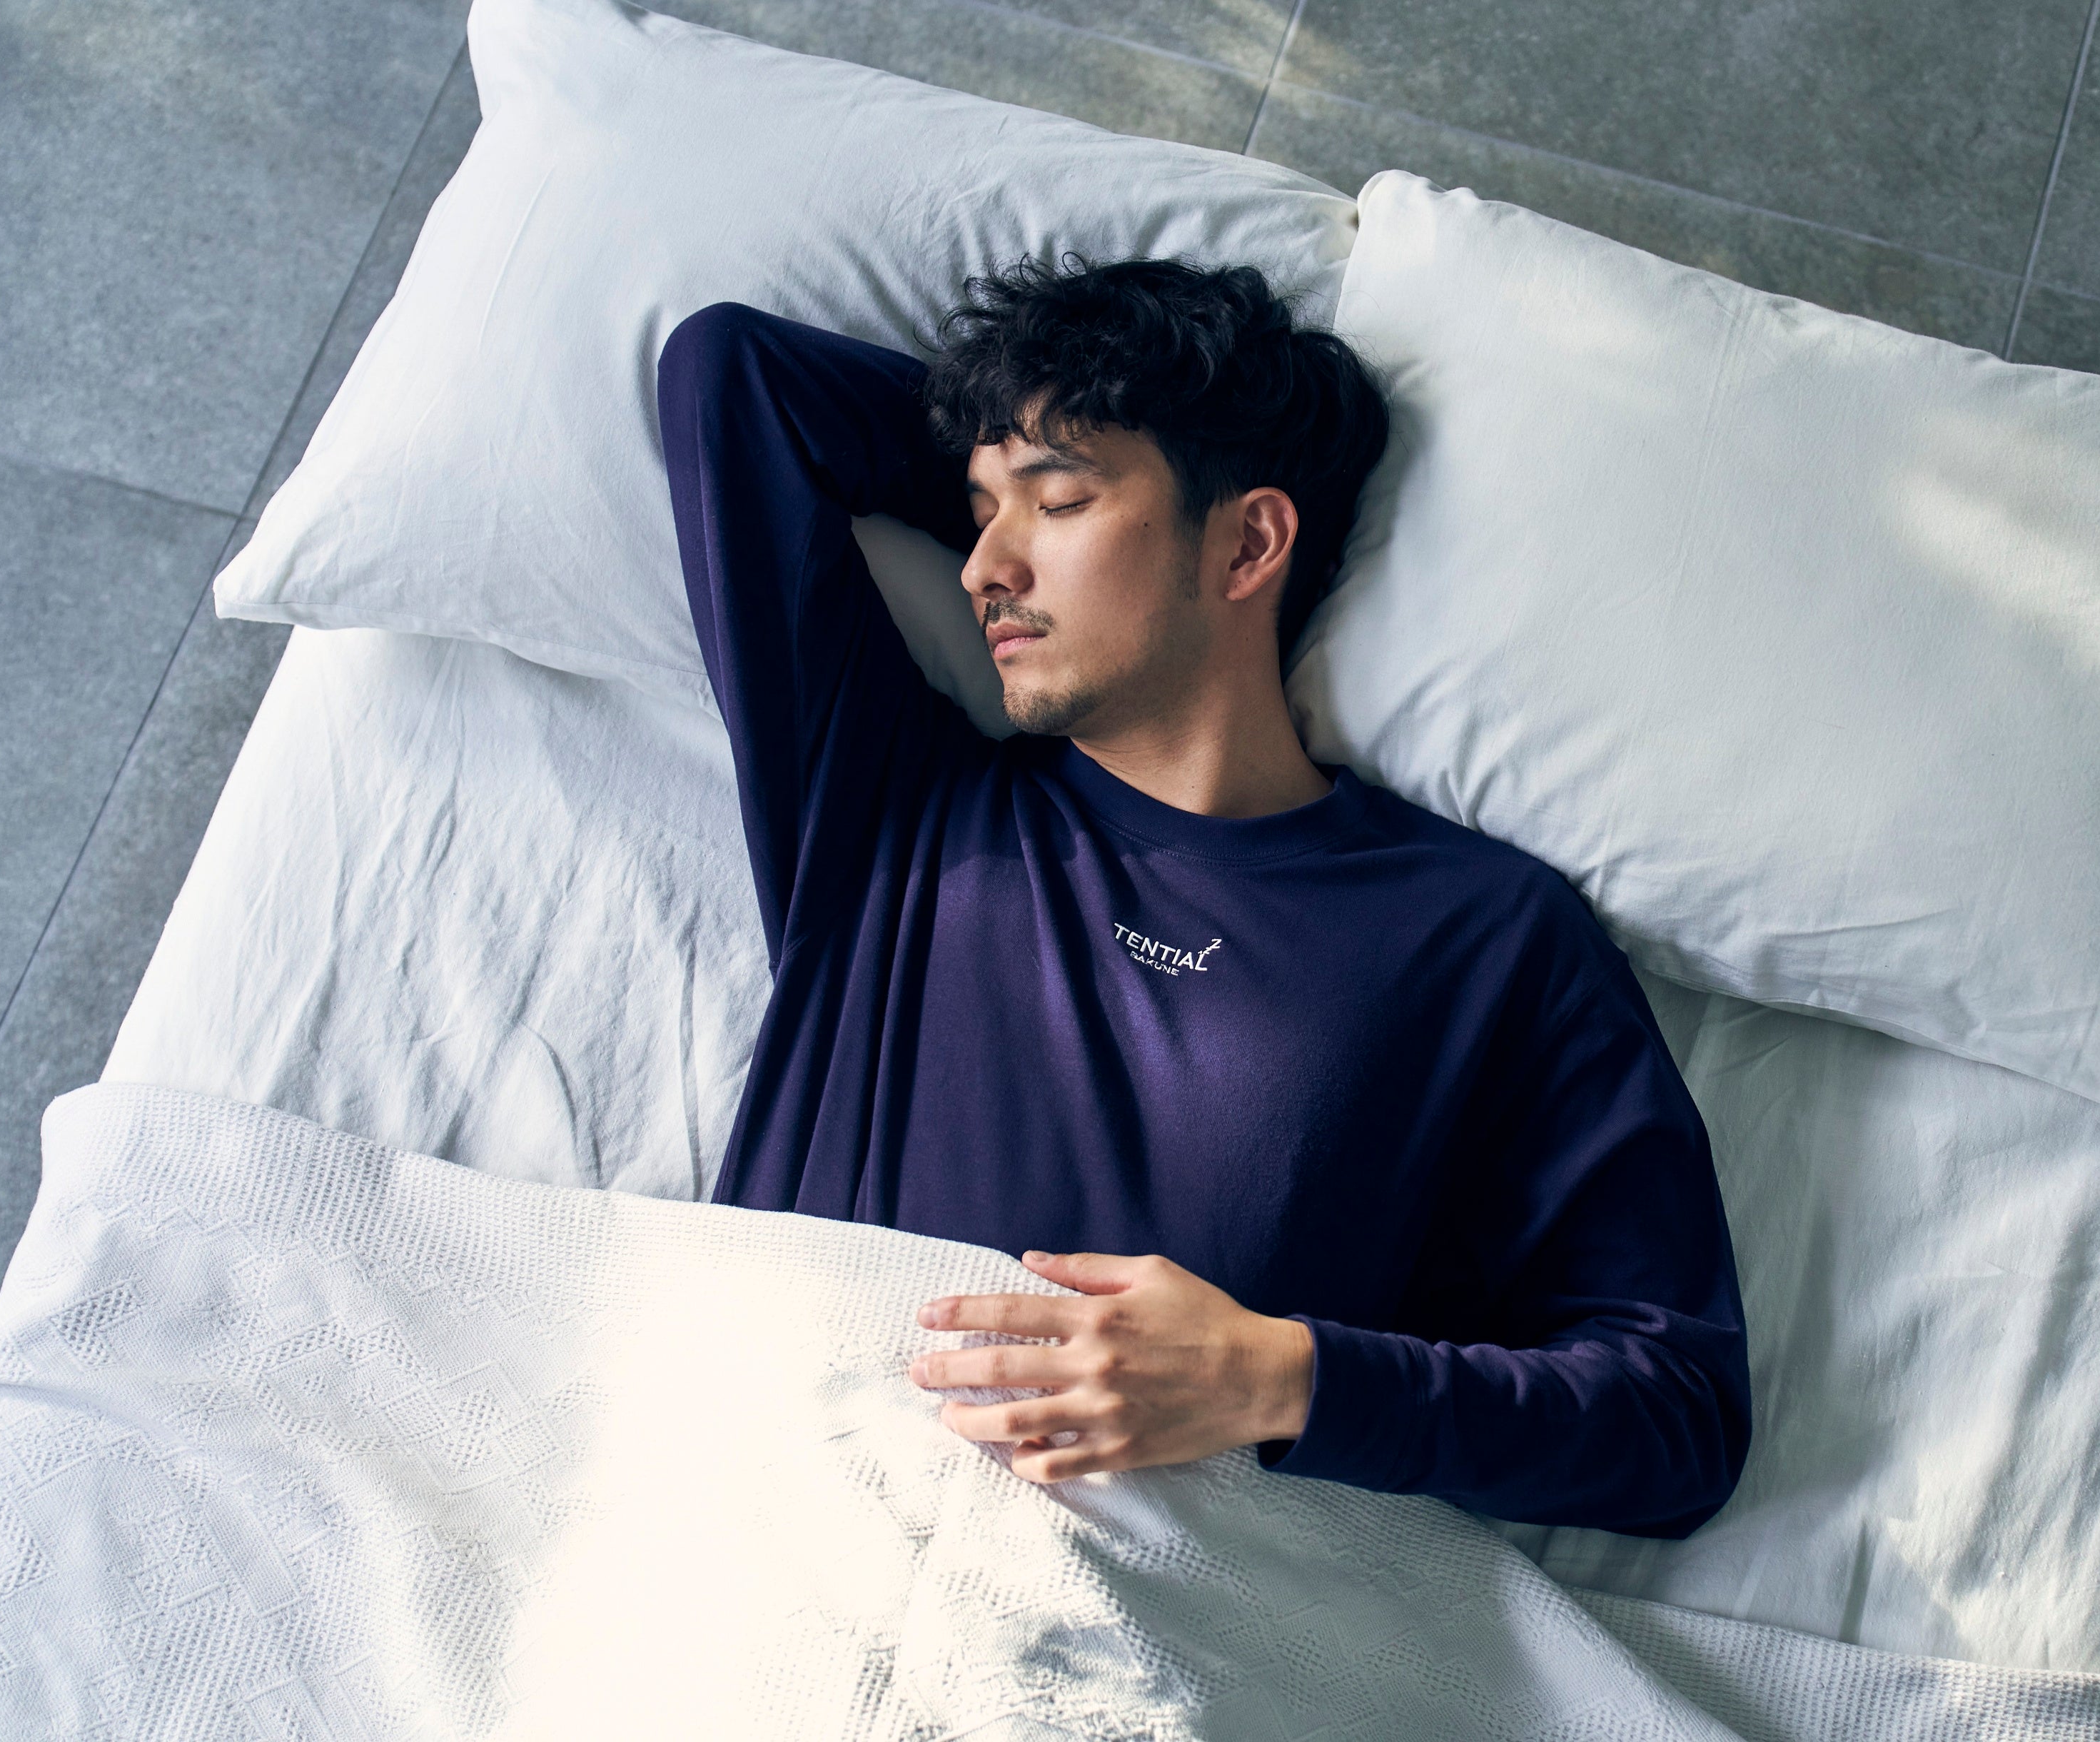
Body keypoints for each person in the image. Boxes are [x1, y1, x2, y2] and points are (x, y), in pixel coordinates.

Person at [655, 258, 1748, 1537]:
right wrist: (1037, 448)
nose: (981, 567)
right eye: (975, 511)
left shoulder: (1482, 937)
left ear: (1249, 542)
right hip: (739, 1534)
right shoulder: (891, 812)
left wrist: (1283, 1380)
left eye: (1060, 500)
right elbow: (733, 376)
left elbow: (1677, 1420)